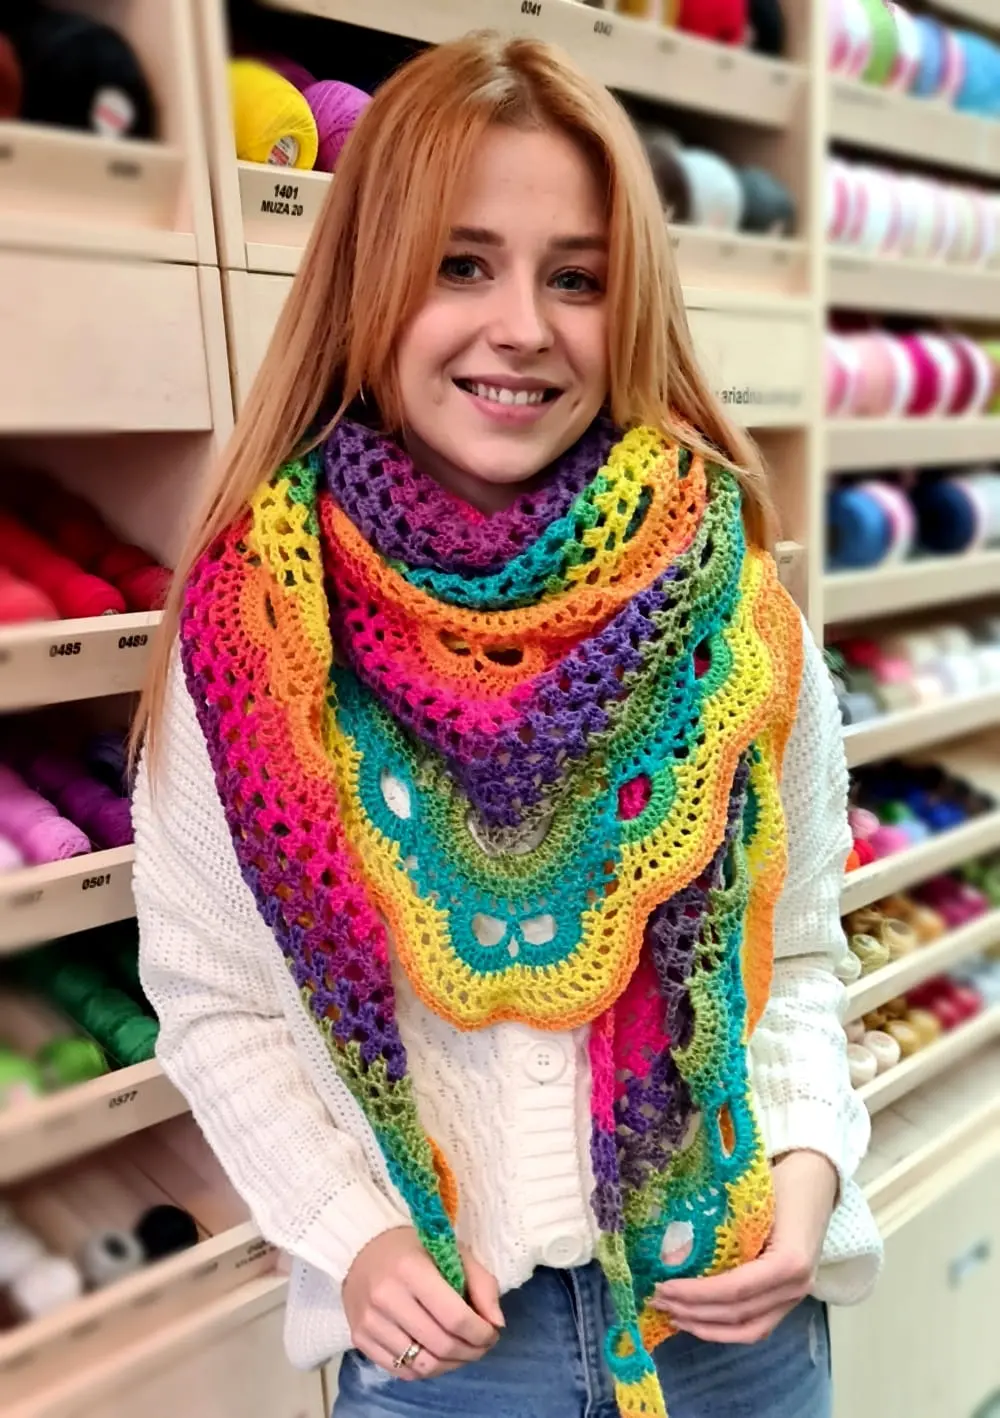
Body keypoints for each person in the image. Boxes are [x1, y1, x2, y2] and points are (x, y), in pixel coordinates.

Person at [132, 31, 882, 1418]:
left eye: (577, 277)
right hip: (450, 1358)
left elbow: (800, 954)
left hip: (734, 1318)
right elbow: (213, 991)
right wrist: (353, 1236)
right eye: (461, 264)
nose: (525, 326)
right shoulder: (255, 640)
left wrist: (804, 1168)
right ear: (369, 281)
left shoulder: (734, 612)